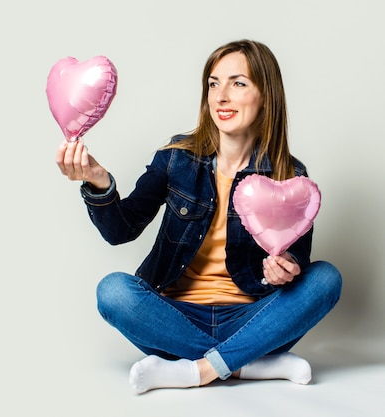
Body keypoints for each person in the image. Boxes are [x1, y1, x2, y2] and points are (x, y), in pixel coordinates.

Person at [54, 39, 342, 394]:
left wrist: (286, 269)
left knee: (325, 278)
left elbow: (297, 258)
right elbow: (121, 230)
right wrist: (99, 184)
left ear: (265, 95)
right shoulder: (176, 158)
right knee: (112, 291)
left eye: (238, 83)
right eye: (213, 83)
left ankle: (196, 369)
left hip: (251, 319)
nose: (221, 96)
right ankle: (245, 364)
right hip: (175, 317)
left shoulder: (290, 174)